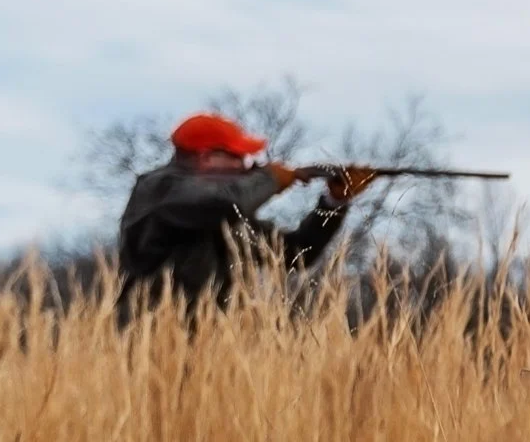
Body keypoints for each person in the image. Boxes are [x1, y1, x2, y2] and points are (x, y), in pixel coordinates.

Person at [116, 112, 378, 311]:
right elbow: (221, 204)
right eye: (238, 157)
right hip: (148, 341)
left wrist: (333, 202)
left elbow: (296, 254)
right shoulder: (159, 188)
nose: (245, 165)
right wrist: (271, 179)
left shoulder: (221, 217)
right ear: (206, 157)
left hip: (210, 350)